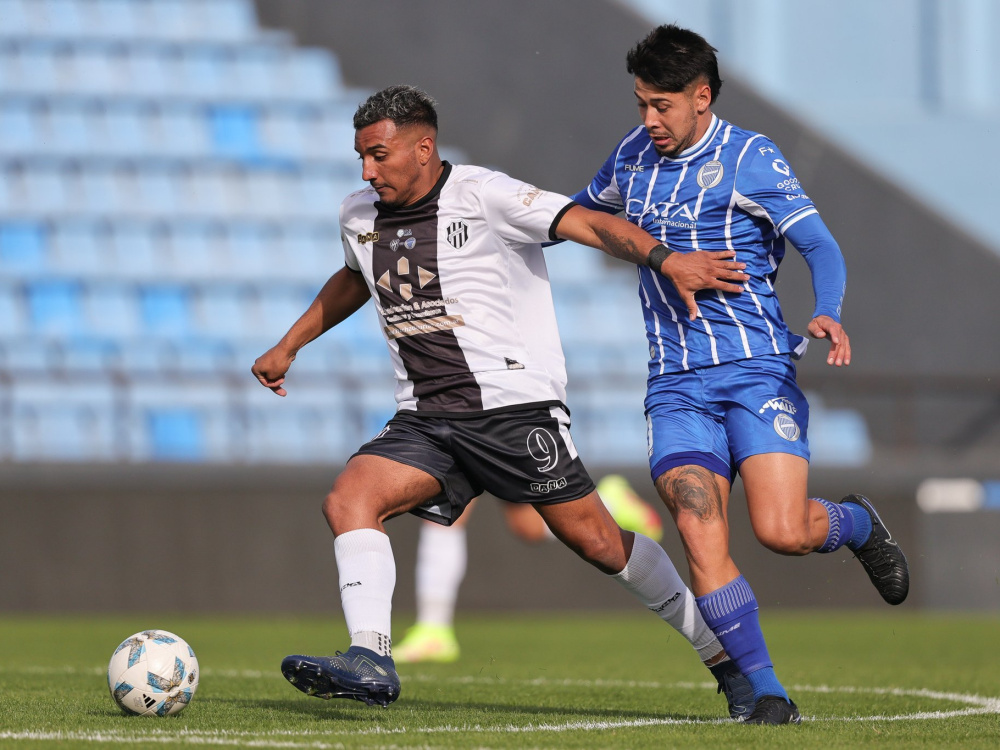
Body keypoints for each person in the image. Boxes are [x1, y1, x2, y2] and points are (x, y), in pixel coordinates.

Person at [252, 84, 756, 718]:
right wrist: (289, 345)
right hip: (426, 417)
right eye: (361, 157)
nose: (367, 171)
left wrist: (666, 259)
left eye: (379, 155)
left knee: (600, 544)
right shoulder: (359, 215)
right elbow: (356, 276)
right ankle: (371, 658)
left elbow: (589, 222)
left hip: (513, 411)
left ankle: (726, 660)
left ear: (424, 147)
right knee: (349, 499)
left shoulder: (486, 195)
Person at [570, 25, 910, 725]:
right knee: (698, 530)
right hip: (675, 383)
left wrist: (829, 311)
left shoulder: (750, 156)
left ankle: (854, 523)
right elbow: (577, 214)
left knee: (782, 530)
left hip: (757, 372)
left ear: (701, 98)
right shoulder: (631, 158)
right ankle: (766, 692)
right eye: (640, 104)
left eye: (661, 105)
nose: (648, 120)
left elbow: (817, 243)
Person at [394, 474, 664, 664]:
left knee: (446, 510)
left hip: (489, 412)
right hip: (475, 411)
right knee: (528, 527)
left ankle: (434, 629)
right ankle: (612, 501)